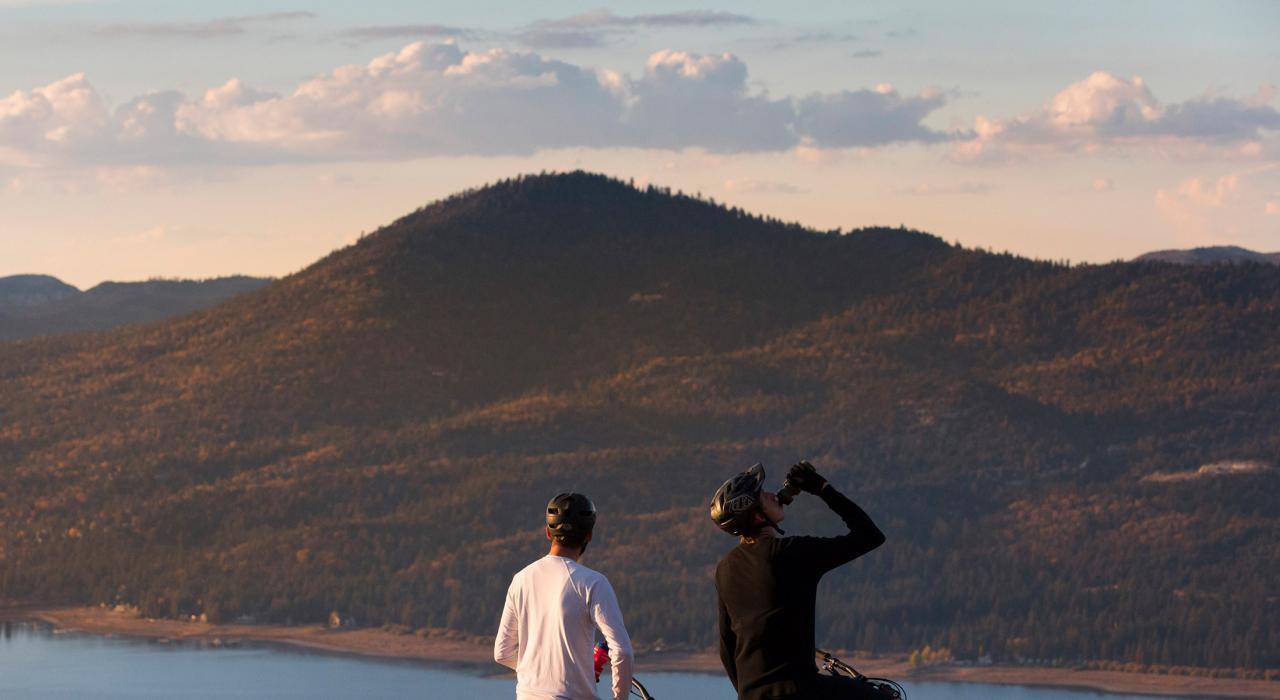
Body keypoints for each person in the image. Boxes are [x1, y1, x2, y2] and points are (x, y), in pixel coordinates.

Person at [710, 462, 886, 700]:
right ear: (754, 513)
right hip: (800, 690)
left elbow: (726, 647)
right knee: (882, 696)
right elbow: (869, 536)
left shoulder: (725, 568)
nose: (773, 495)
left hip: (751, 695)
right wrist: (821, 488)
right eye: (762, 494)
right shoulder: (790, 554)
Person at [495, 492, 634, 700]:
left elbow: (502, 652)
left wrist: (543, 673)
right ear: (589, 535)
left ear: (548, 533)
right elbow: (622, 652)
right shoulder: (593, 583)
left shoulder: (521, 579)